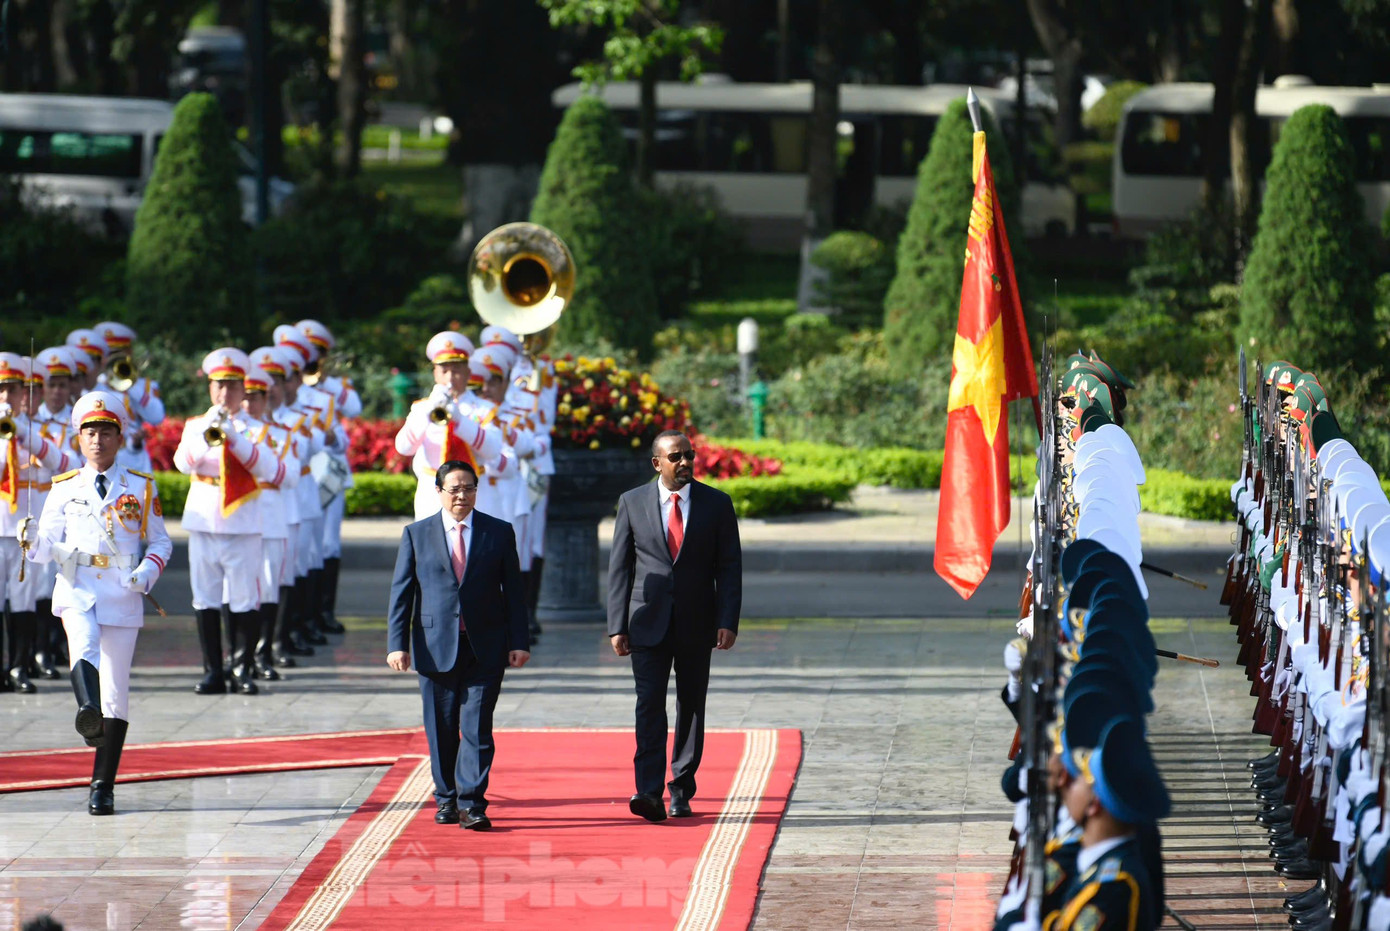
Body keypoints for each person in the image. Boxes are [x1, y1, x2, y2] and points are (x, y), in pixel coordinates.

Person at [18, 390, 171, 816]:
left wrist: (147, 572)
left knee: (116, 692)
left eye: (105, 432)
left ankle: (103, 785)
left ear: (119, 438)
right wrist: (29, 538)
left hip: (122, 591)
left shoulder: (140, 486)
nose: (97, 440)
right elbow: (44, 547)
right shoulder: (64, 486)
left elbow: (160, 541)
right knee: (82, 648)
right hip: (77, 586)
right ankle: (87, 710)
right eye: (90, 432)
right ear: (79, 438)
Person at [386, 460, 530, 830]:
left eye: (468, 488)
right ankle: (446, 798)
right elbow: (402, 594)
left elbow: (514, 592)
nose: (461, 496)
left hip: (486, 646)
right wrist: (396, 644)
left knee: (478, 728)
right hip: (434, 647)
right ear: (438, 492)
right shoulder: (417, 534)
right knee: (442, 729)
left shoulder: (498, 532)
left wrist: (519, 640)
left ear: (477, 491)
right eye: (454, 489)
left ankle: (473, 803)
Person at [607, 430, 743, 822]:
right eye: (675, 457)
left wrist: (727, 620)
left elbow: (729, 567)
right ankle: (648, 791)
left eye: (689, 455)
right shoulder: (632, 502)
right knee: (649, 705)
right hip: (646, 622)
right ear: (657, 463)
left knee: (691, 705)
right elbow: (620, 567)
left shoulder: (717, 503)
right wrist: (617, 625)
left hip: (698, 622)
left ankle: (681, 788)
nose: (684, 462)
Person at [173, 349, 283, 695]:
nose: (225, 393)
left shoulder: (259, 429)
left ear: (243, 389)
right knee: (205, 597)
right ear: (210, 388)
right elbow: (182, 463)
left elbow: (270, 469)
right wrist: (209, 433)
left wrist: (234, 438)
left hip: (243, 520)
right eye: (219, 385)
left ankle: (242, 668)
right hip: (204, 519)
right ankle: (213, 671)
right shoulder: (196, 425)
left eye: (233, 386)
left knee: (243, 597)